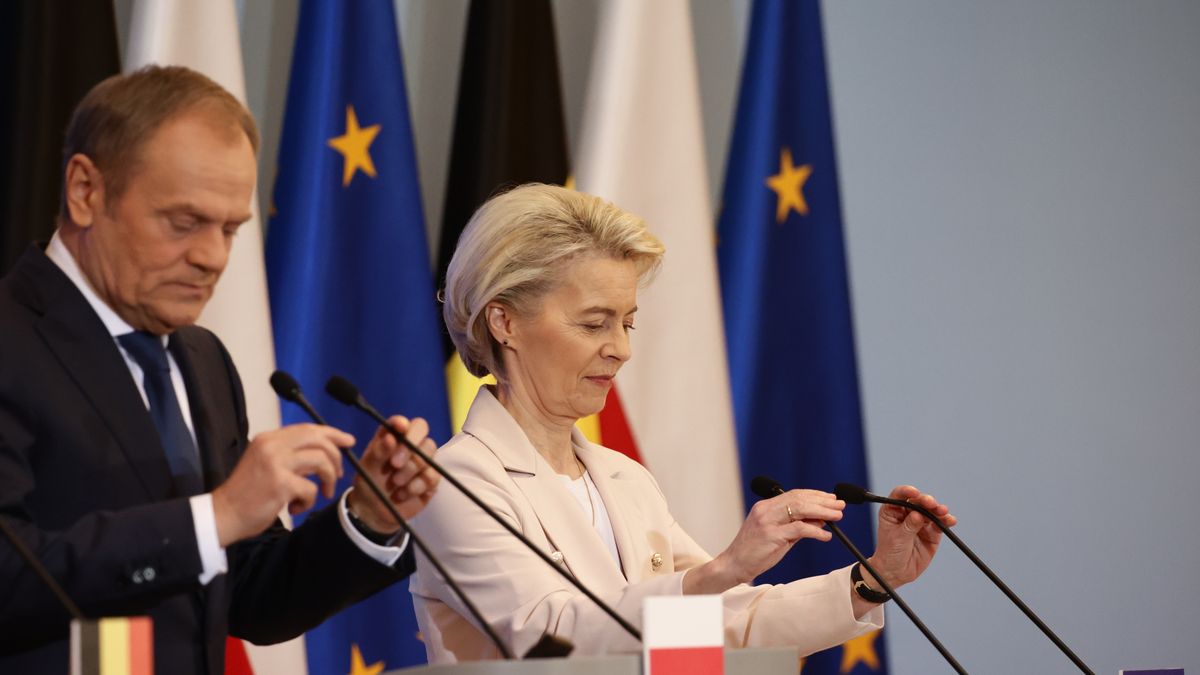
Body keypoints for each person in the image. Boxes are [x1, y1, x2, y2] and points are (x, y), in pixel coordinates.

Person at [0, 66, 439, 674]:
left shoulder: (201, 359)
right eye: (183, 223)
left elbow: (250, 601)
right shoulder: (13, 340)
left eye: (230, 229)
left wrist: (367, 518)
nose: (212, 257)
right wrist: (219, 514)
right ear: (85, 191)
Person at [409, 183, 956, 662]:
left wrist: (872, 579)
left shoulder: (624, 479)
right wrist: (725, 567)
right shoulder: (454, 480)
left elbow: (718, 626)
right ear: (503, 321)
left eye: (627, 323)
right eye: (594, 323)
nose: (620, 349)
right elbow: (547, 635)